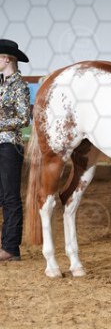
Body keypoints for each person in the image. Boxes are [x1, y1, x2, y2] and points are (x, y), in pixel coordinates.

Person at [0, 39, 30, 261]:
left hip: (10, 146)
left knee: (10, 197)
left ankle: (10, 248)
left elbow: (23, 118)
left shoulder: (19, 86)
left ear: (6, 59)